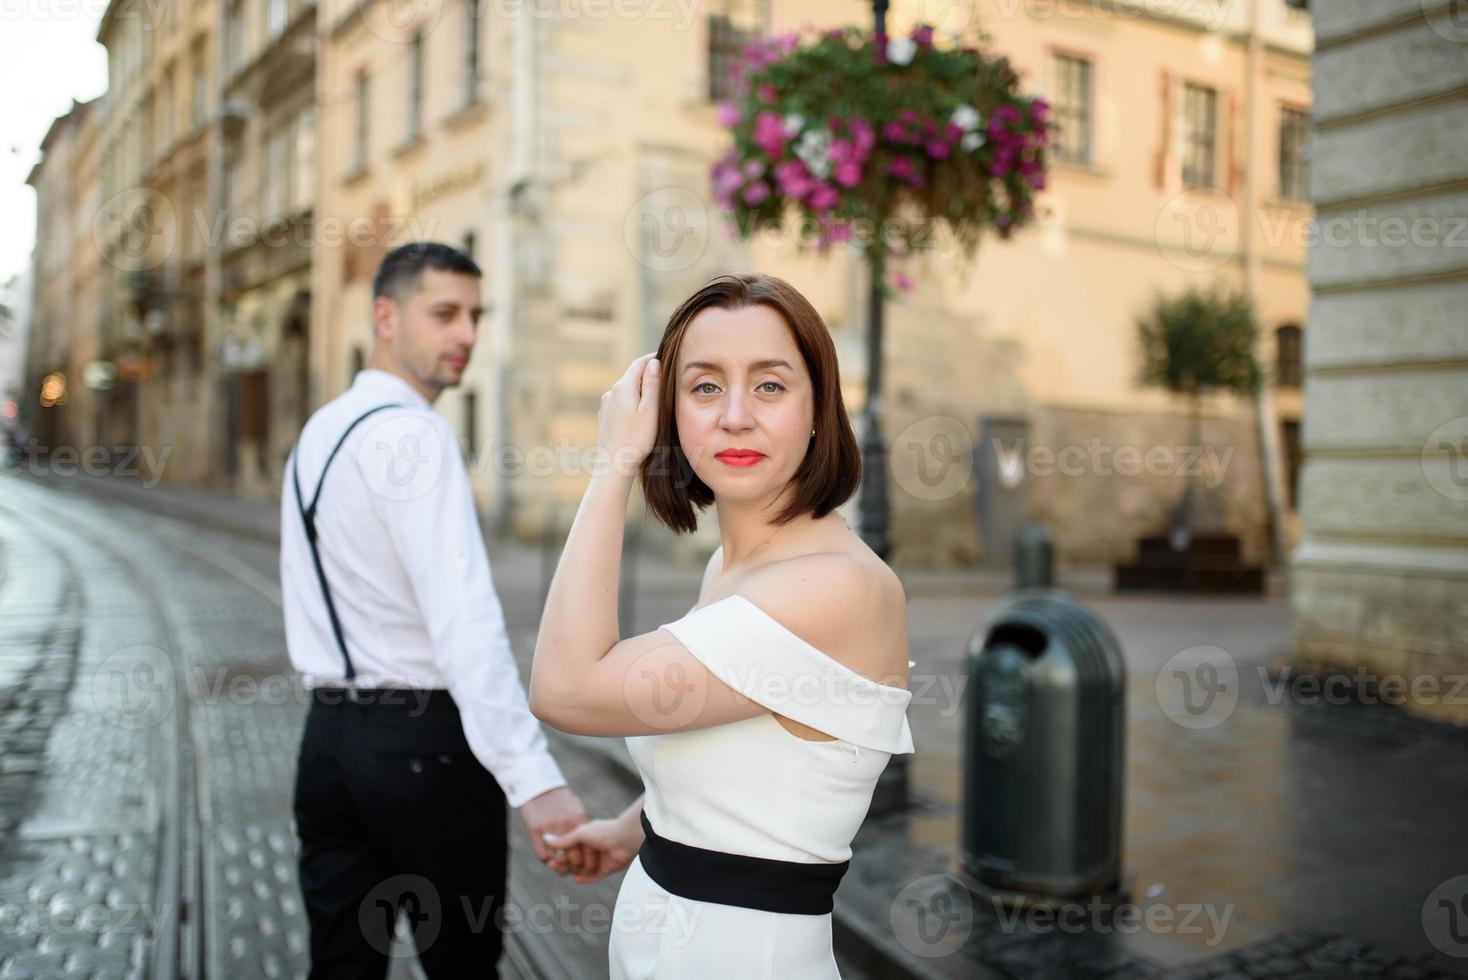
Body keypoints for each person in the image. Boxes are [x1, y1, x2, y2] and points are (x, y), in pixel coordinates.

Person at [527, 273, 915, 978]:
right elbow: (749, 756)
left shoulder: (837, 588)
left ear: (819, 410)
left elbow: (563, 687)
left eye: (770, 385)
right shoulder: (732, 570)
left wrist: (613, 463)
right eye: (705, 386)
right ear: (670, 411)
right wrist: (634, 829)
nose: (735, 415)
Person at [280, 242, 587, 978]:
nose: (467, 336)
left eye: (476, 316)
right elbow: (463, 618)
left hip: (327, 747)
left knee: (343, 968)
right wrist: (533, 777)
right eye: (444, 314)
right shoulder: (416, 434)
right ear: (385, 317)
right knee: (461, 965)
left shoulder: (322, 430)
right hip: (424, 751)